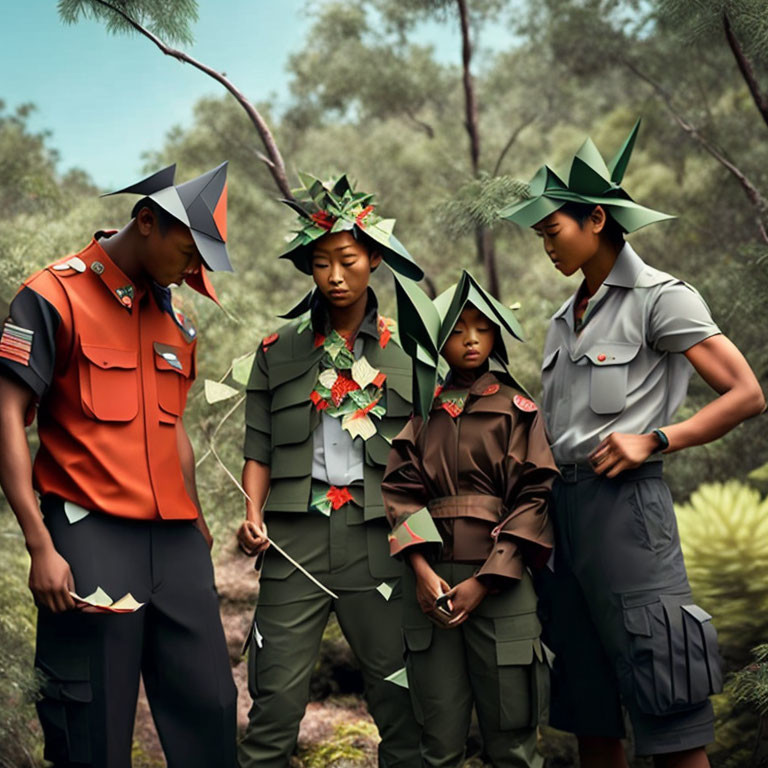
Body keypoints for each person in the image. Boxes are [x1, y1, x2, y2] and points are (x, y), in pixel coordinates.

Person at [500, 121, 766, 768]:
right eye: (538, 238)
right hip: (565, 516)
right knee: (590, 706)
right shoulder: (564, 320)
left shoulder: (660, 298)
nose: (546, 248)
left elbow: (746, 393)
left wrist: (656, 439)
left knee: (666, 697)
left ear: (596, 219)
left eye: (553, 231)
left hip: (629, 513)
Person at [0, 163, 238, 768]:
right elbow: (6, 415)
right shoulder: (52, 295)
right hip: (90, 534)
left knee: (210, 706)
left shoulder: (177, 320)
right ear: (146, 220)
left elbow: (174, 426)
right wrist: (40, 544)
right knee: (91, 723)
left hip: (178, 540)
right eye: (189, 251)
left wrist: (200, 522)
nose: (194, 270)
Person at [236, 173, 423, 768]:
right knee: (273, 707)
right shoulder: (277, 351)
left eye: (347, 260)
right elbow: (259, 446)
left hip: (381, 539)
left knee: (402, 702)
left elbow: (433, 459)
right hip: (294, 540)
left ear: (373, 259)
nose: (335, 276)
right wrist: (251, 515)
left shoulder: (412, 355)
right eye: (321, 263)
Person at [381, 270, 557, 768]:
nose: (471, 339)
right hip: (432, 587)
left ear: (496, 334)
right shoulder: (423, 413)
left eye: (482, 327)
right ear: (440, 340)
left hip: (502, 583)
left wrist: (487, 579)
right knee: (437, 743)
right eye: (458, 330)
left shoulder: (517, 411)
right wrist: (420, 573)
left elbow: (535, 497)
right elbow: (399, 491)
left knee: (513, 745)